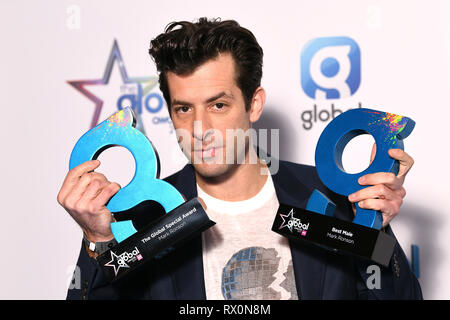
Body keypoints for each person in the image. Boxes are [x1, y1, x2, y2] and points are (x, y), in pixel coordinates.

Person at [58, 17, 422, 300]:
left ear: (254, 104)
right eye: (184, 108)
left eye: (218, 105)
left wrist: (376, 228)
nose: (199, 128)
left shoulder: (328, 199)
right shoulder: (144, 218)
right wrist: (96, 241)